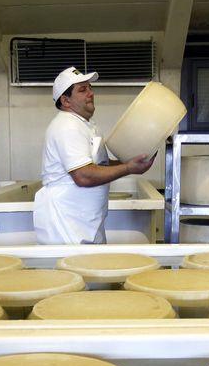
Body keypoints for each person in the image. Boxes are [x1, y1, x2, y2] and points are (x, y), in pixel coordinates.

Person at [33, 66, 155, 245]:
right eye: (82, 90)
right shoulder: (67, 126)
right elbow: (83, 176)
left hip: (85, 221)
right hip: (66, 224)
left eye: (90, 88)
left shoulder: (86, 125)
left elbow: (99, 166)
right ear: (66, 101)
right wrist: (128, 168)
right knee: (73, 272)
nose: (90, 93)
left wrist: (129, 162)